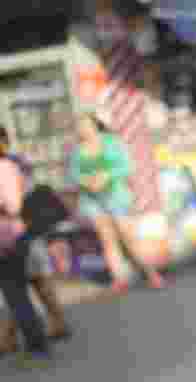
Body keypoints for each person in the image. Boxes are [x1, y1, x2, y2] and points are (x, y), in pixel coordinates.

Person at [69, 112, 165, 292]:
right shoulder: (77, 151)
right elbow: (73, 175)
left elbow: (126, 166)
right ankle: (119, 278)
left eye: (86, 124)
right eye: (80, 126)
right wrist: (85, 181)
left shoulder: (111, 142)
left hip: (115, 196)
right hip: (92, 200)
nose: (83, 129)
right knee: (107, 240)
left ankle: (151, 273)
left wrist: (107, 176)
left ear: (95, 124)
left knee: (129, 237)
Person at [0, 128, 70, 355]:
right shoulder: (14, 164)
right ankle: (15, 336)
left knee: (26, 283)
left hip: (21, 230)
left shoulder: (13, 164)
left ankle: (16, 337)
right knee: (23, 284)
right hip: (22, 230)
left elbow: (19, 201)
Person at [0, 157, 52, 368]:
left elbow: (13, 206)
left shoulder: (4, 168)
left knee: (16, 294)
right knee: (15, 295)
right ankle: (33, 343)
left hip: (9, 239)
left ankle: (37, 346)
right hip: (9, 238)